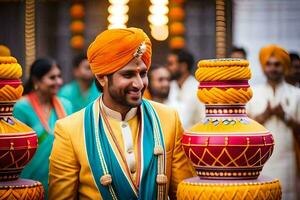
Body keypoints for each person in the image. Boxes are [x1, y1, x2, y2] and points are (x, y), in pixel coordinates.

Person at [48, 27, 195, 200]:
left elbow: (184, 194)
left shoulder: (168, 119)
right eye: (128, 75)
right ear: (102, 77)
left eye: (143, 73)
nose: (139, 84)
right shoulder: (70, 130)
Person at [247, 44, 300, 200]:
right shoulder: (252, 93)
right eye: (269, 64)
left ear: (284, 66)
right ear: (264, 67)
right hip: (260, 162)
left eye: (277, 64)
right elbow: (245, 128)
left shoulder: (296, 94)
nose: (272, 69)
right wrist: (265, 114)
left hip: (288, 159)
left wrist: (285, 116)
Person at [13, 58, 73, 197]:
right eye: (52, 77)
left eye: (59, 76)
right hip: (30, 177)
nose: (58, 82)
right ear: (36, 81)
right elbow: (16, 148)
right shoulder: (21, 107)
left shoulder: (66, 105)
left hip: (62, 176)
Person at [166, 49, 205, 129]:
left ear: (183, 66)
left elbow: (204, 120)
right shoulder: (170, 86)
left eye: (171, 64)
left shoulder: (198, 89)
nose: (167, 68)